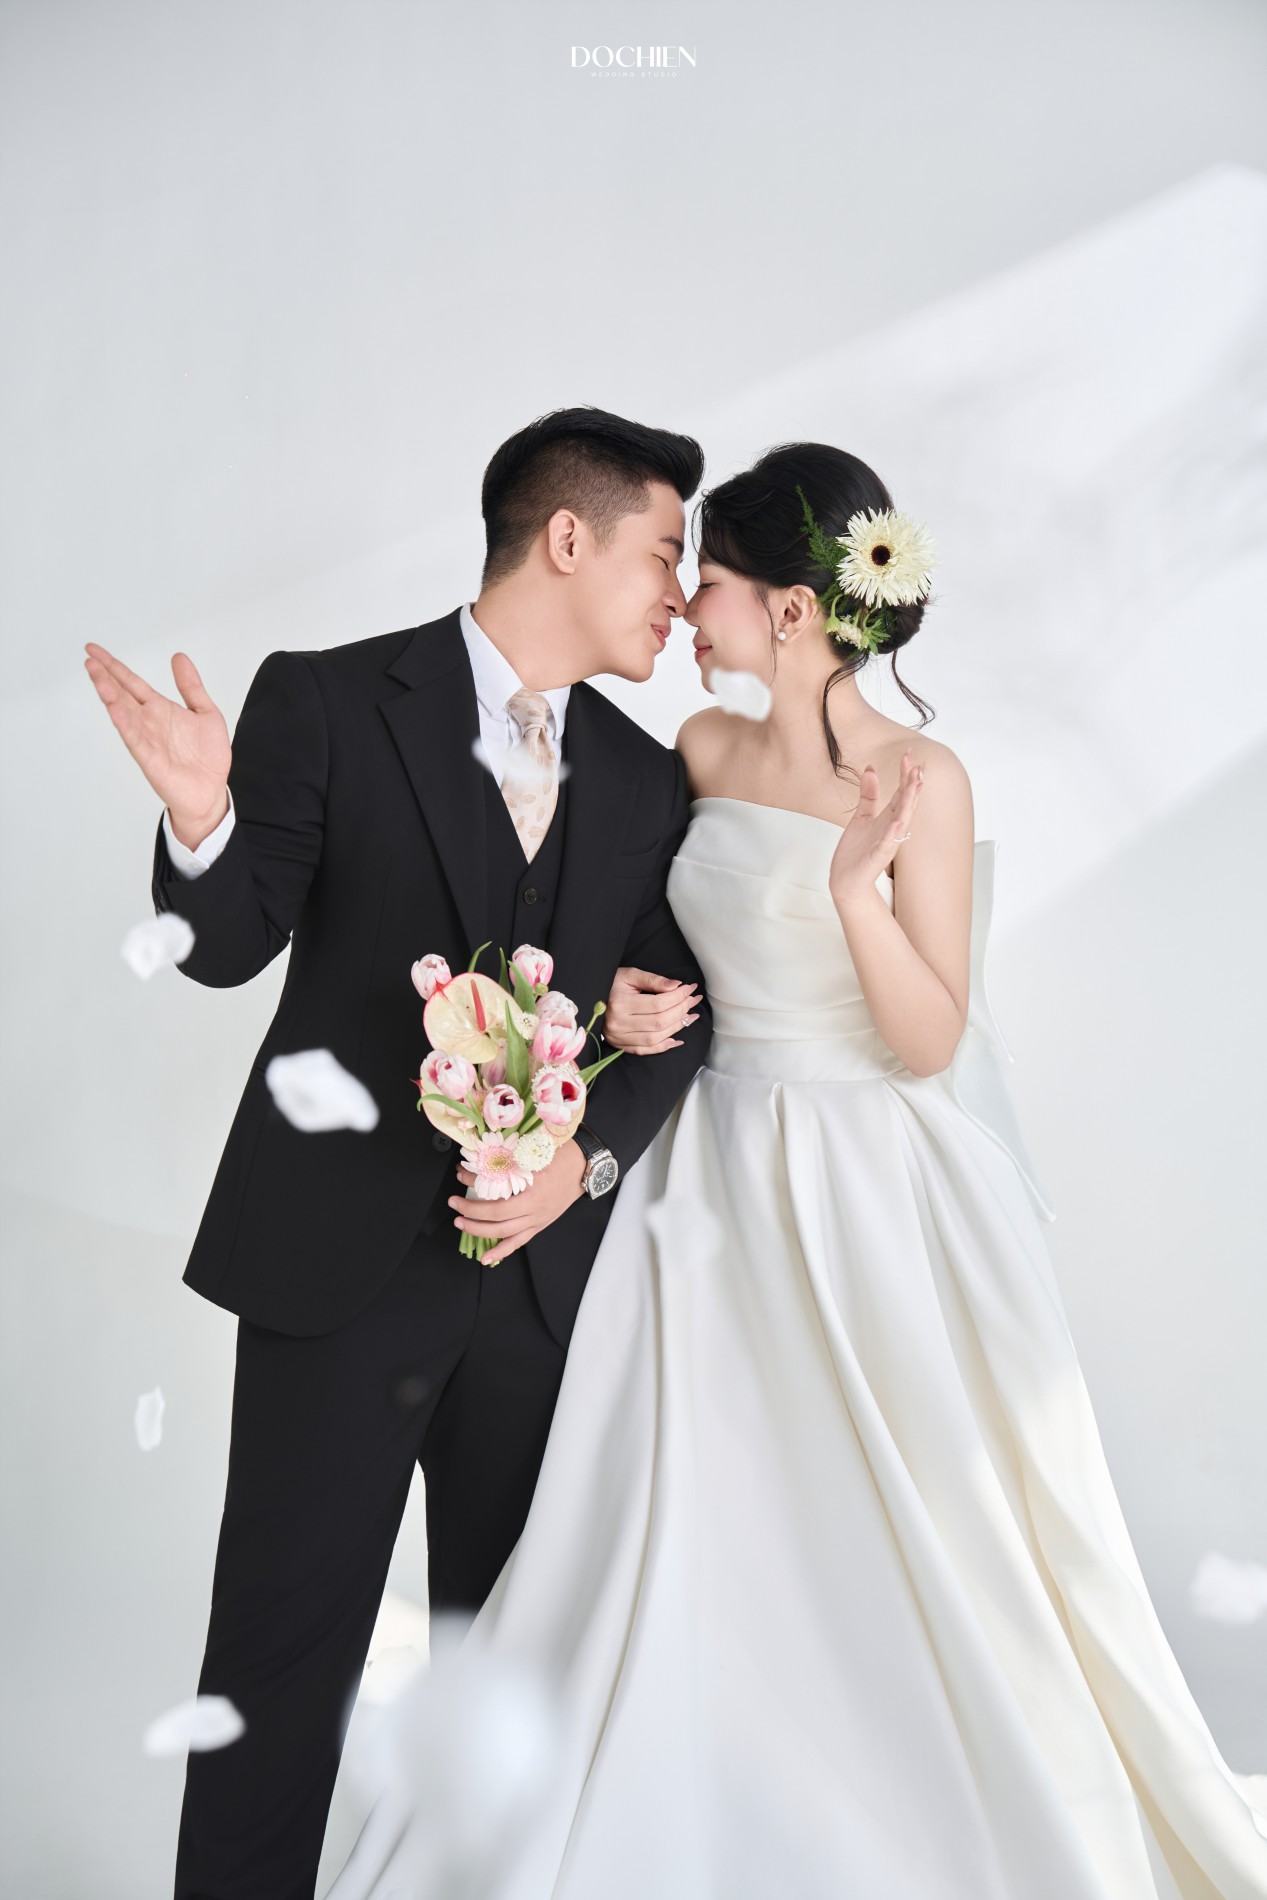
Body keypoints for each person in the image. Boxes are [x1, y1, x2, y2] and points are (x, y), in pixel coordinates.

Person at [329, 442, 1267, 1899]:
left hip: (862, 1173)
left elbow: (928, 1037)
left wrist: (853, 894)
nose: (685, 611)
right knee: (680, 1497)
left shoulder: (924, 780)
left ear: (789, 609)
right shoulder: (702, 754)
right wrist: (621, 1003)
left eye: (706, 582)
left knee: (899, 1512)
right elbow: (640, 942)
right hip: (698, 1171)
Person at [82, 405, 714, 1900]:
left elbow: (674, 1015)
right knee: (279, 1665)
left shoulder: (644, 781)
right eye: (664, 554)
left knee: (514, 1691)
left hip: (540, 1293)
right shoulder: (327, 699)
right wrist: (201, 823)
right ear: (569, 539)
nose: (680, 595)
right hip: (335, 1274)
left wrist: (578, 1166)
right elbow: (226, 944)